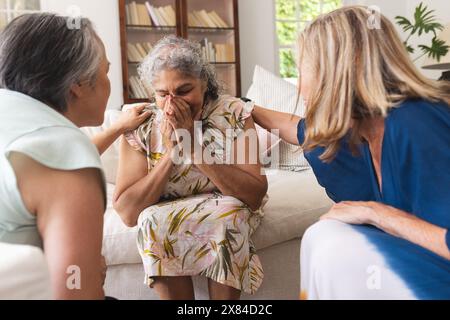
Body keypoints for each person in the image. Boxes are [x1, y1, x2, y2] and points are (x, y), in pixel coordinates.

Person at [252, 6, 450, 299]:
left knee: (331, 240)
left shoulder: (415, 122)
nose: (300, 87)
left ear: (340, 69)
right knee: (325, 235)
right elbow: (300, 129)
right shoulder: (361, 130)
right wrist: (247, 108)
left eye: (303, 68)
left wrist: (376, 212)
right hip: (424, 264)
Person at [113, 36, 268, 300]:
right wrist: (172, 153)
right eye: (163, 94)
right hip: (164, 214)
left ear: (204, 84)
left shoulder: (233, 113)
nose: (173, 104)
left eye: (184, 91)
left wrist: (193, 147)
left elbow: (253, 196)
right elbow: (128, 213)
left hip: (224, 209)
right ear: (153, 92)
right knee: (150, 220)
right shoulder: (141, 125)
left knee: (228, 215)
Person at [0, 13, 112, 299]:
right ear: (78, 84)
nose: (108, 82)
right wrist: (92, 279)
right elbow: (74, 294)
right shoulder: (66, 151)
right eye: (106, 71)